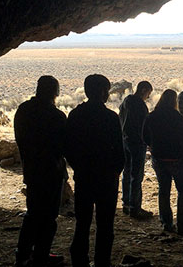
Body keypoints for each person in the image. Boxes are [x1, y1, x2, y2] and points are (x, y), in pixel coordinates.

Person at [65, 74, 125, 267]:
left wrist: (78, 167)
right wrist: (116, 171)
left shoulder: (75, 115)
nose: (108, 94)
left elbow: (69, 148)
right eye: (107, 90)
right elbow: (119, 149)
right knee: (105, 225)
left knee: (82, 223)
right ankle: (102, 262)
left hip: (84, 177)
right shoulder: (110, 117)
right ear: (101, 92)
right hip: (107, 178)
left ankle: (79, 261)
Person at [14, 75, 66, 267]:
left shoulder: (23, 111)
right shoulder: (56, 116)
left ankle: (23, 254)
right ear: (55, 92)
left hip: (32, 170)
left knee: (33, 213)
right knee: (49, 216)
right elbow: (63, 146)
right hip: (52, 172)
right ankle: (41, 255)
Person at [143, 89, 183, 235]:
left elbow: (144, 136)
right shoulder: (177, 117)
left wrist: (153, 146)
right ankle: (182, 224)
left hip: (159, 158)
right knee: (182, 191)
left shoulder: (152, 116)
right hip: (177, 158)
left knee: (164, 190)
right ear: (174, 101)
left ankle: (166, 223)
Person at [119, 81, 153, 219]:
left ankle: (126, 203)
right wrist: (149, 141)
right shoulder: (140, 106)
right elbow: (144, 126)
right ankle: (135, 207)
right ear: (144, 90)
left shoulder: (126, 101)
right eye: (148, 94)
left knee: (127, 172)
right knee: (137, 175)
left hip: (125, 140)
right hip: (137, 143)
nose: (148, 97)